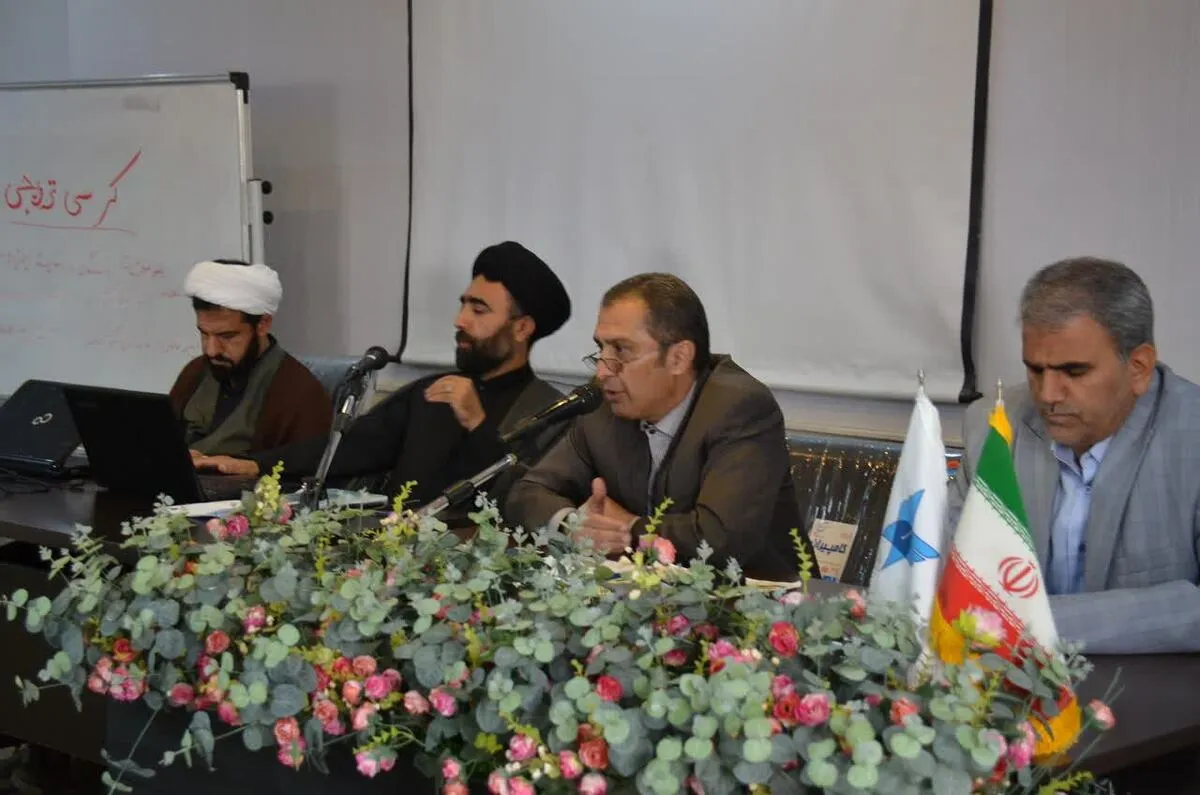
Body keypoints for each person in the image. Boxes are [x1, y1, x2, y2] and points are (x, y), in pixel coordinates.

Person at [194, 242, 572, 509]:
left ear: (522, 328)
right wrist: (256, 464)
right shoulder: (431, 391)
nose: (460, 320)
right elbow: (351, 448)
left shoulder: (551, 413)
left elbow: (519, 500)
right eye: (463, 305)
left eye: (479, 310)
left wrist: (479, 425)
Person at [950, 257, 1200, 654]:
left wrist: (1029, 622)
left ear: (1138, 367)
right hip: (1005, 681)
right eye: (1035, 370)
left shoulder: (1191, 437)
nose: (1048, 395)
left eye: (1074, 372)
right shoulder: (994, 425)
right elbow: (942, 571)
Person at [505, 273, 814, 581]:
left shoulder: (740, 408)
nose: (602, 372)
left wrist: (628, 530)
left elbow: (721, 540)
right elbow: (528, 493)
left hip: (760, 598)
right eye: (601, 349)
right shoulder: (604, 406)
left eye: (621, 350)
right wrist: (573, 525)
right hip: (643, 596)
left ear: (678, 357)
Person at [171, 259, 332, 457]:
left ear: (263, 324)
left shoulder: (301, 392)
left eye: (227, 336)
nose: (211, 350)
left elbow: (304, 466)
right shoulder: (195, 372)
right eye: (204, 334)